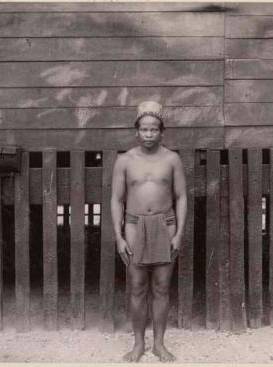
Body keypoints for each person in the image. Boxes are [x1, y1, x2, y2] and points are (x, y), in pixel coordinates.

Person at [111, 101, 187, 362]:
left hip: (165, 224)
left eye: (154, 129)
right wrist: (119, 237)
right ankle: (138, 344)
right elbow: (116, 200)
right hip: (134, 225)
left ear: (161, 131)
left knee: (162, 286)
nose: (149, 134)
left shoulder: (172, 159)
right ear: (137, 131)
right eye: (144, 129)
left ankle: (159, 344)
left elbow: (182, 197)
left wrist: (178, 234)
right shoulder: (125, 160)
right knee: (137, 286)